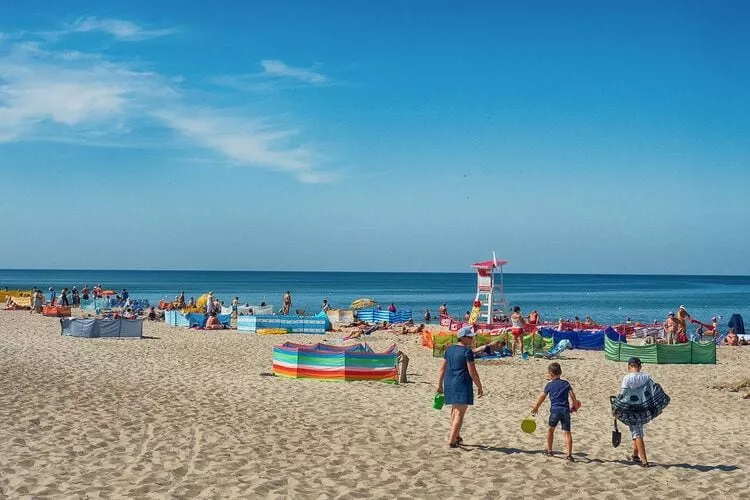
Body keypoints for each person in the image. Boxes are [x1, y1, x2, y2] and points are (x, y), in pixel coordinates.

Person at [436, 326, 483, 448]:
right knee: (459, 413)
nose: (472, 339)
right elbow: (472, 372)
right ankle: (452, 441)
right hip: (461, 383)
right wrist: (479, 386)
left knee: (454, 410)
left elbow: (442, 369)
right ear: (463, 338)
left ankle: (456, 436)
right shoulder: (467, 352)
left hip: (449, 382)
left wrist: (440, 384)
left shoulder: (449, 349)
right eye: (470, 337)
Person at [531, 362, 579, 462]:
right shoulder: (566, 384)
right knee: (567, 433)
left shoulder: (549, 385)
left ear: (550, 374)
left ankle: (549, 451)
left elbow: (542, 397)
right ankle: (569, 455)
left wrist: (536, 407)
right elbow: (572, 396)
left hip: (555, 411)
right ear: (560, 372)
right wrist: (575, 405)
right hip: (565, 411)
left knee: (550, 430)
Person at [619, 357, 652, 467]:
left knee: (637, 434)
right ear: (640, 367)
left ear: (629, 367)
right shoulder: (646, 377)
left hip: (632, 408)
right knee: (636, 429)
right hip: (643, 407)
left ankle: (644, 461)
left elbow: (623, 394)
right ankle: (635, 455)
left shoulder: (627, 378)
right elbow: (651, 391)